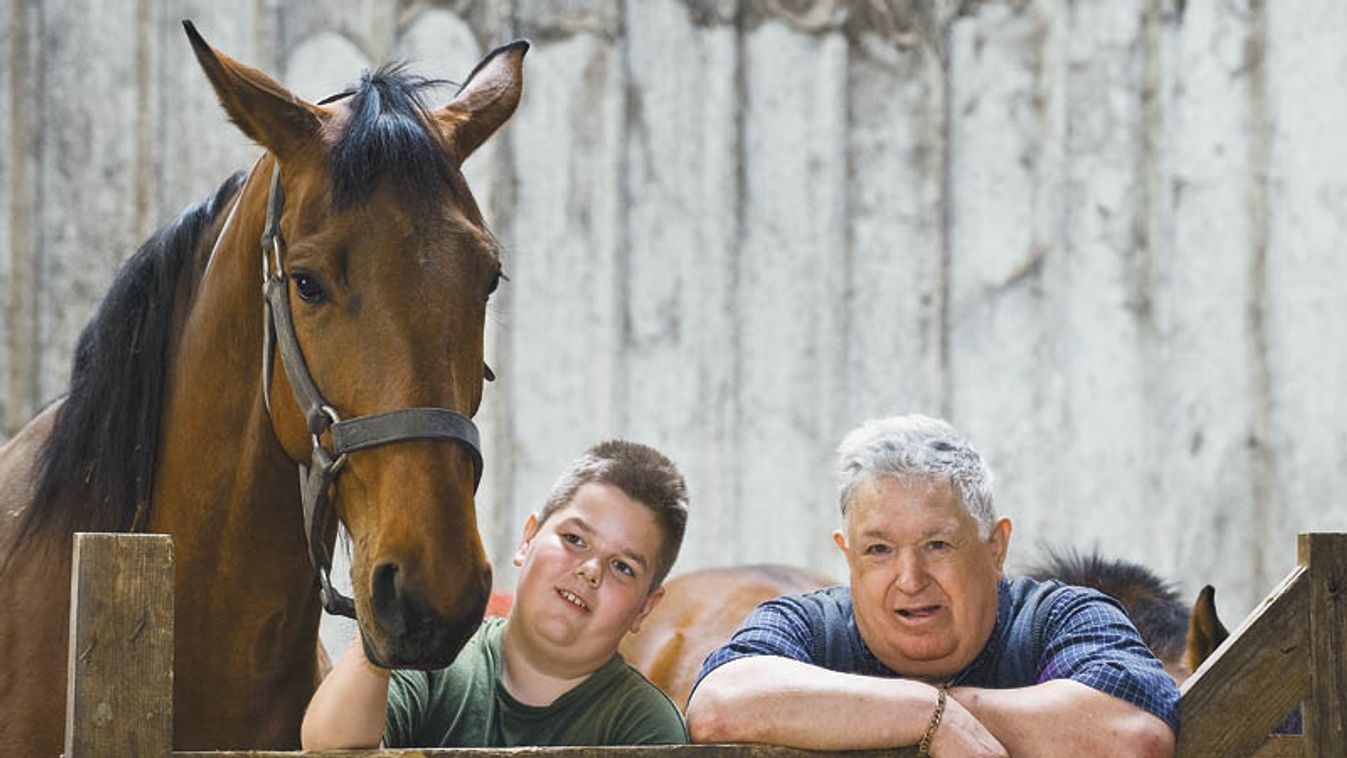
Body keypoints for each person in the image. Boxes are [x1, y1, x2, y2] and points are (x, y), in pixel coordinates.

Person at [685, 414, 1178, 757]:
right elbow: (718, 708)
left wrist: (937, 710)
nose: (910, 579)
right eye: (878, 550)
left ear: (995, 548)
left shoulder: (1061, 618)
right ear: (848, 557)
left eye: (937, 545)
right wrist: (925, 713)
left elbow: (1131, 736)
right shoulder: (808, 627)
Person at [301, 440, 690, 749]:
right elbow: (328, 744)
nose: (590, 571)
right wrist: (387, 618)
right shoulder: (437, 662)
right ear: (528, 539)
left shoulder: (645, 725)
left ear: (645, 608)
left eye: (623, 567)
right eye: (574, 539)